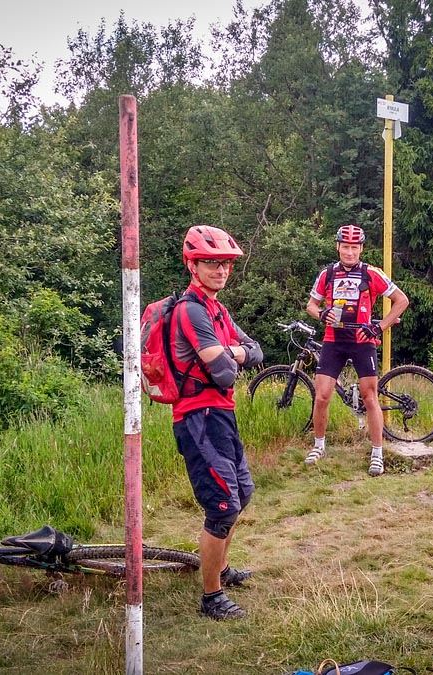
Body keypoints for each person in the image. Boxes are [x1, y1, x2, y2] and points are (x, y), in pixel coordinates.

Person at [170, 225, 264, 620]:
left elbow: (257, 351)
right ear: (192, 265)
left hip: (221, 415)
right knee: (223, 506)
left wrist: (229, 351)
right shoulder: (191, 310)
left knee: (242, 494)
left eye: (224, 263)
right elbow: (225, 374)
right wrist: (234, 354)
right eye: (210, 262)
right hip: (198, 418)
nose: (220, 269)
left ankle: (221, 568)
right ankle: (211, 598)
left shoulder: (217, 310)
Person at [304, 224, 409, 476]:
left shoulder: (371, 273)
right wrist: (321, 314)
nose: (349, 252)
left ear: (361, 248)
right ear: (337, 246)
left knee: (369, 397)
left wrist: (379, 327)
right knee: (322, 396)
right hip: (334, 340)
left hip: (363, 340)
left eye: (354, 247)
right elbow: (311, 305)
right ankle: (319, 445)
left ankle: (377, 453)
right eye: (345, 247)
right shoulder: (327, 274)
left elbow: (401, 300)